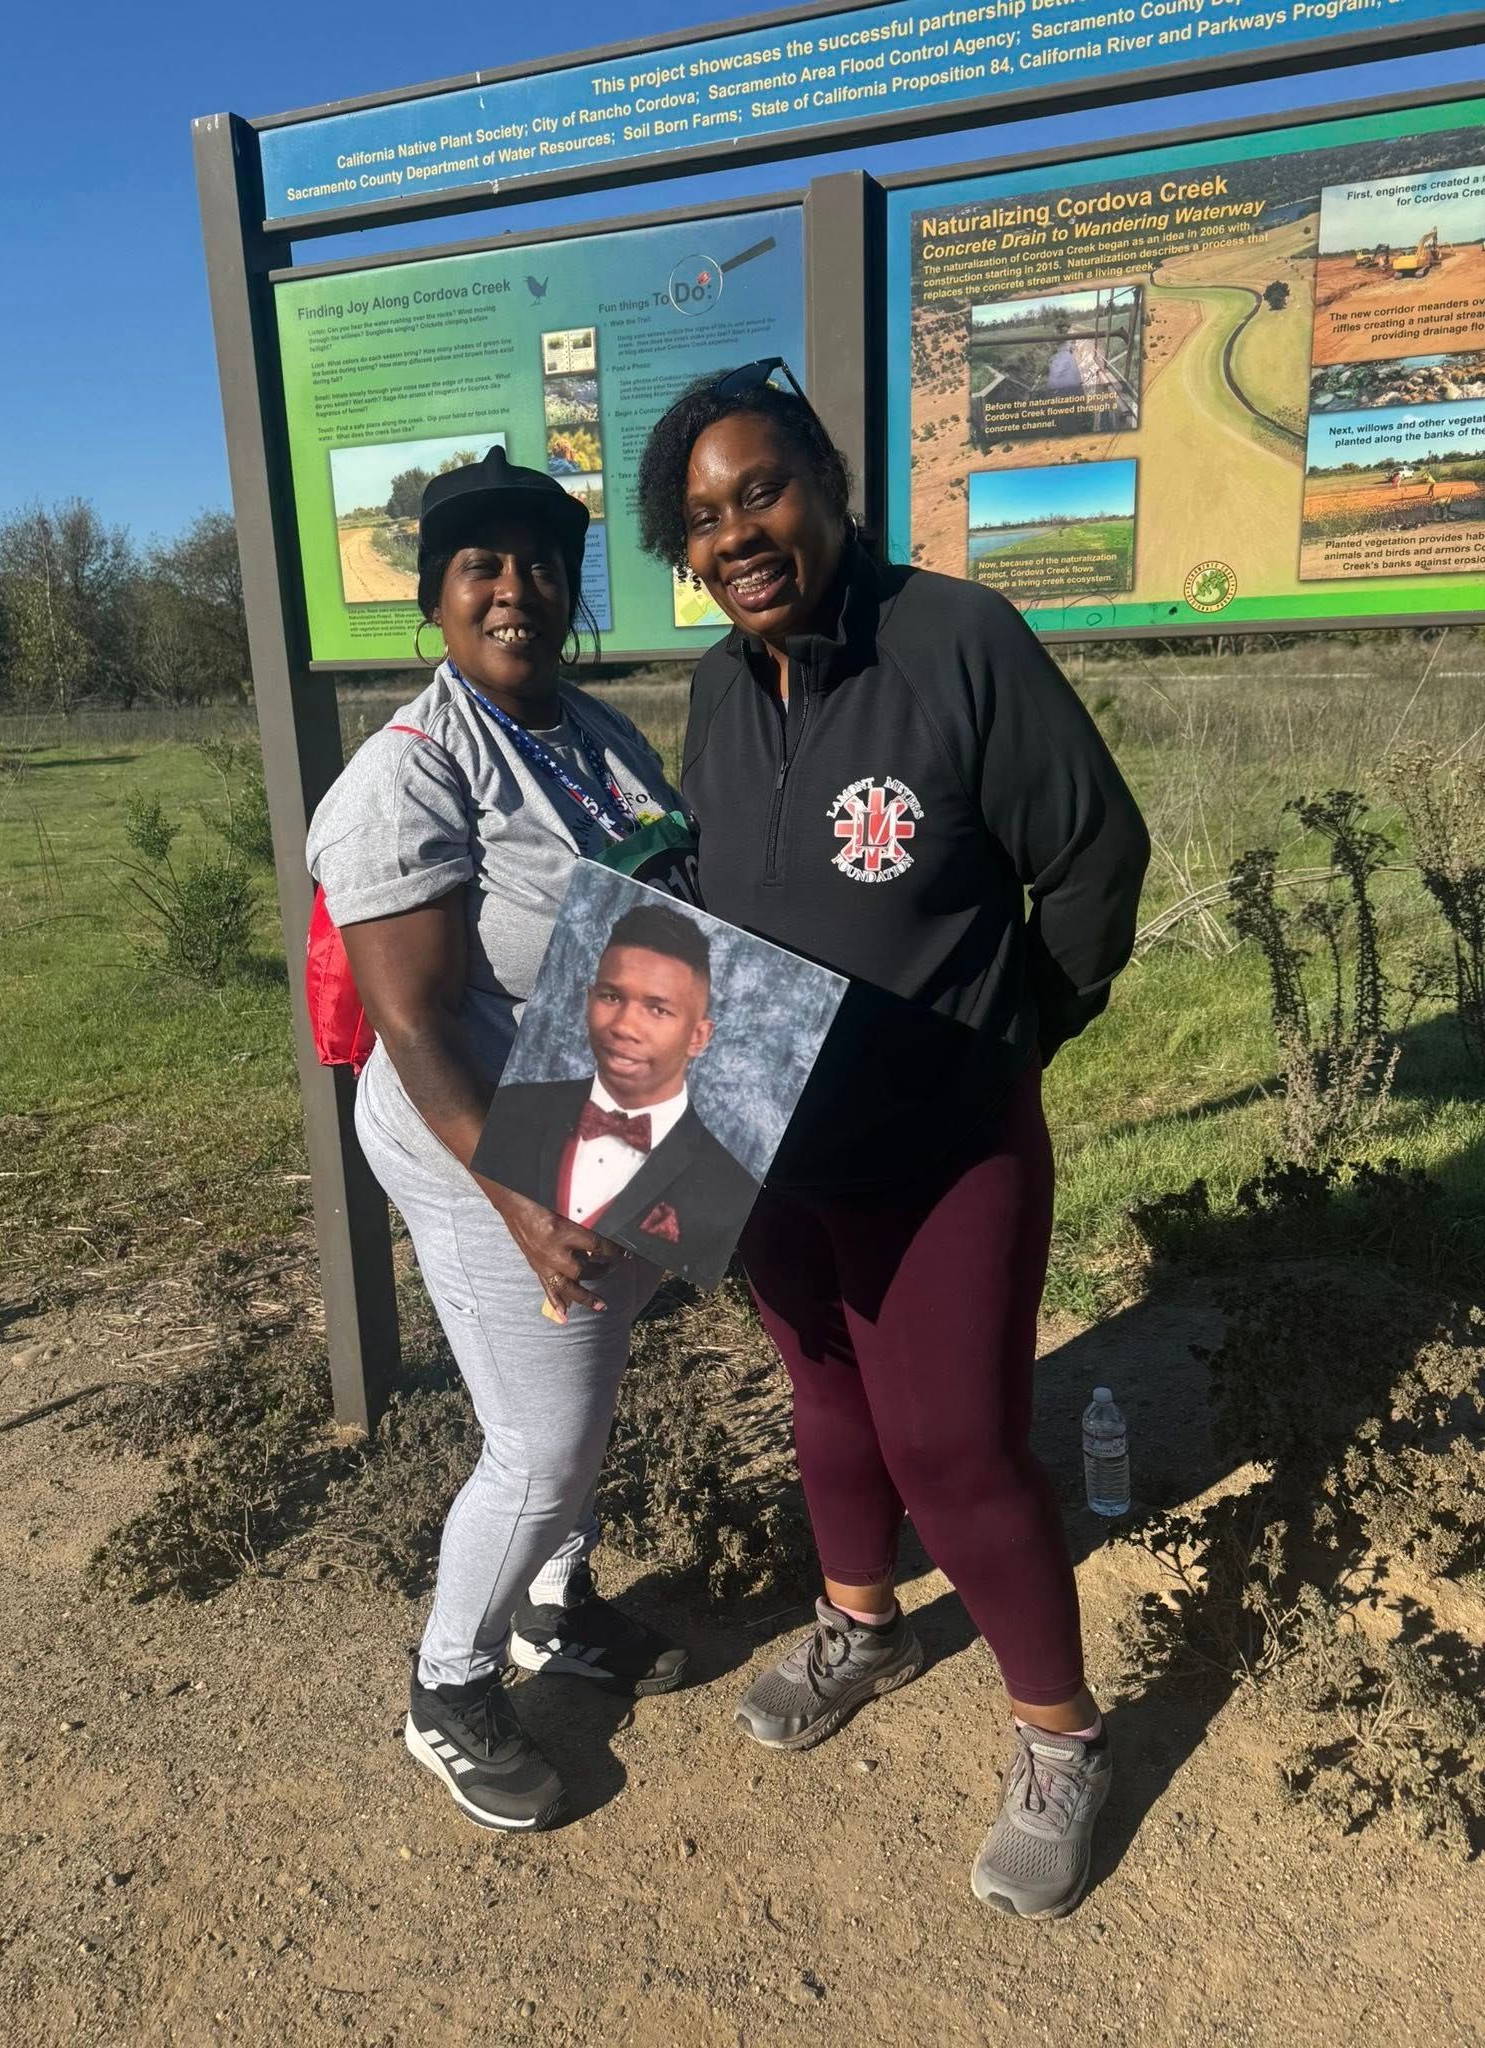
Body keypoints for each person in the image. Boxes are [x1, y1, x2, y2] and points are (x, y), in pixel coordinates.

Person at [636, 362, 1151, 1919]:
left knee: (955, 1445)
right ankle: (864, 1625)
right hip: (773, 1131)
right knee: (825, 1395)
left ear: (833, 489)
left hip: (944, 1135)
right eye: (707, 514)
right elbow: (710, 907)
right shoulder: (722, 687)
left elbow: (1094, 858)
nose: (740, 531)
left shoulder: (957, 639)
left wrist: (1012, 1039)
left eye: (766, 488)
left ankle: (1062, 1737)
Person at [307, 446, 687, 1836]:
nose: (516, 587)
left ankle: (550, 1605)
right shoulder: (408, 772)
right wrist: (526, 1198)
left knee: (595, 1373)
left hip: (605, 1105)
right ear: (436, 599)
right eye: (482, 565)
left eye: (541, 561)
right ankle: (447, 1688)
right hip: (479, 1128)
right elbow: (417, 1025)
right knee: (540, 1435)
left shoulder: (597, 735)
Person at [477, 900, 760, 1285]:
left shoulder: (726, 1179)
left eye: (658, 1009)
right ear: (588, 1001)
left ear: (698, 1036)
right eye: (612, 997)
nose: (626, 1026)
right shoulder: (513, 1110)